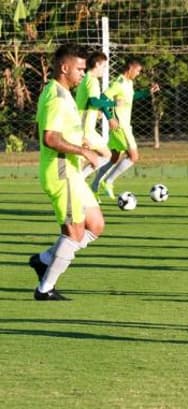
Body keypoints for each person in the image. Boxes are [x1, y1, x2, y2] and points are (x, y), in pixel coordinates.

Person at [29, 44, 104, 300]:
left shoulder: (64, 93)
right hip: (60, 171)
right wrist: (83, 152)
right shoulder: (56, 96)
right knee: (74, 233)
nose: (83, 74)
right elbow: (49, 137)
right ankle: (44, 289)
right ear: (65, 68)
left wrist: (79, 143)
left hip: (70, 170)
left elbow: (59, 132)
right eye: (80, 69)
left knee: (95, 225)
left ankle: (45, 259)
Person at [90, 57, 160, 199]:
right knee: (133, 157)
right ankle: (108, 181)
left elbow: (131, 97)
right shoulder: (119, 83)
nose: (139, 74)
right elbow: (103, 99)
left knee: (114, 158)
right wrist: (109, 118)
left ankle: (95, 185)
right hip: (121, 126)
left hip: (124, 125)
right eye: (138, 71)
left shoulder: (129, 83)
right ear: (130, 68)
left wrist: (148, 92)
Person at [75, 51, 116, 179]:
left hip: (84, 127)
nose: (104, 70)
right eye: (103, 66)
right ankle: (78, 180)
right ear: (97, 64)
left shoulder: (86, 79)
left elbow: (89, 102)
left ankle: (79, 179)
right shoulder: (92, 81)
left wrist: (96, 111)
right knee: (105, 156)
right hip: (85, 129)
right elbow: (93, 100)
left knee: (103, 156)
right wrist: (114, 103)